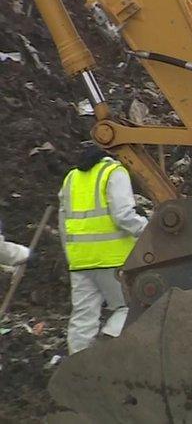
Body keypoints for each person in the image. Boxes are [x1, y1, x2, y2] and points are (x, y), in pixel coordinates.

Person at [59, 146, 148, 354]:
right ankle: (108, 345)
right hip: (112, 258)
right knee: (128, 306)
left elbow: (63, 223)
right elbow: (123, 215)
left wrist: (70, 255)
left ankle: (77, 367)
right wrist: (147, 229)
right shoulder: (113, 172)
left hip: (80, 260)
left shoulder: (71, 178)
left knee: (83, 317)